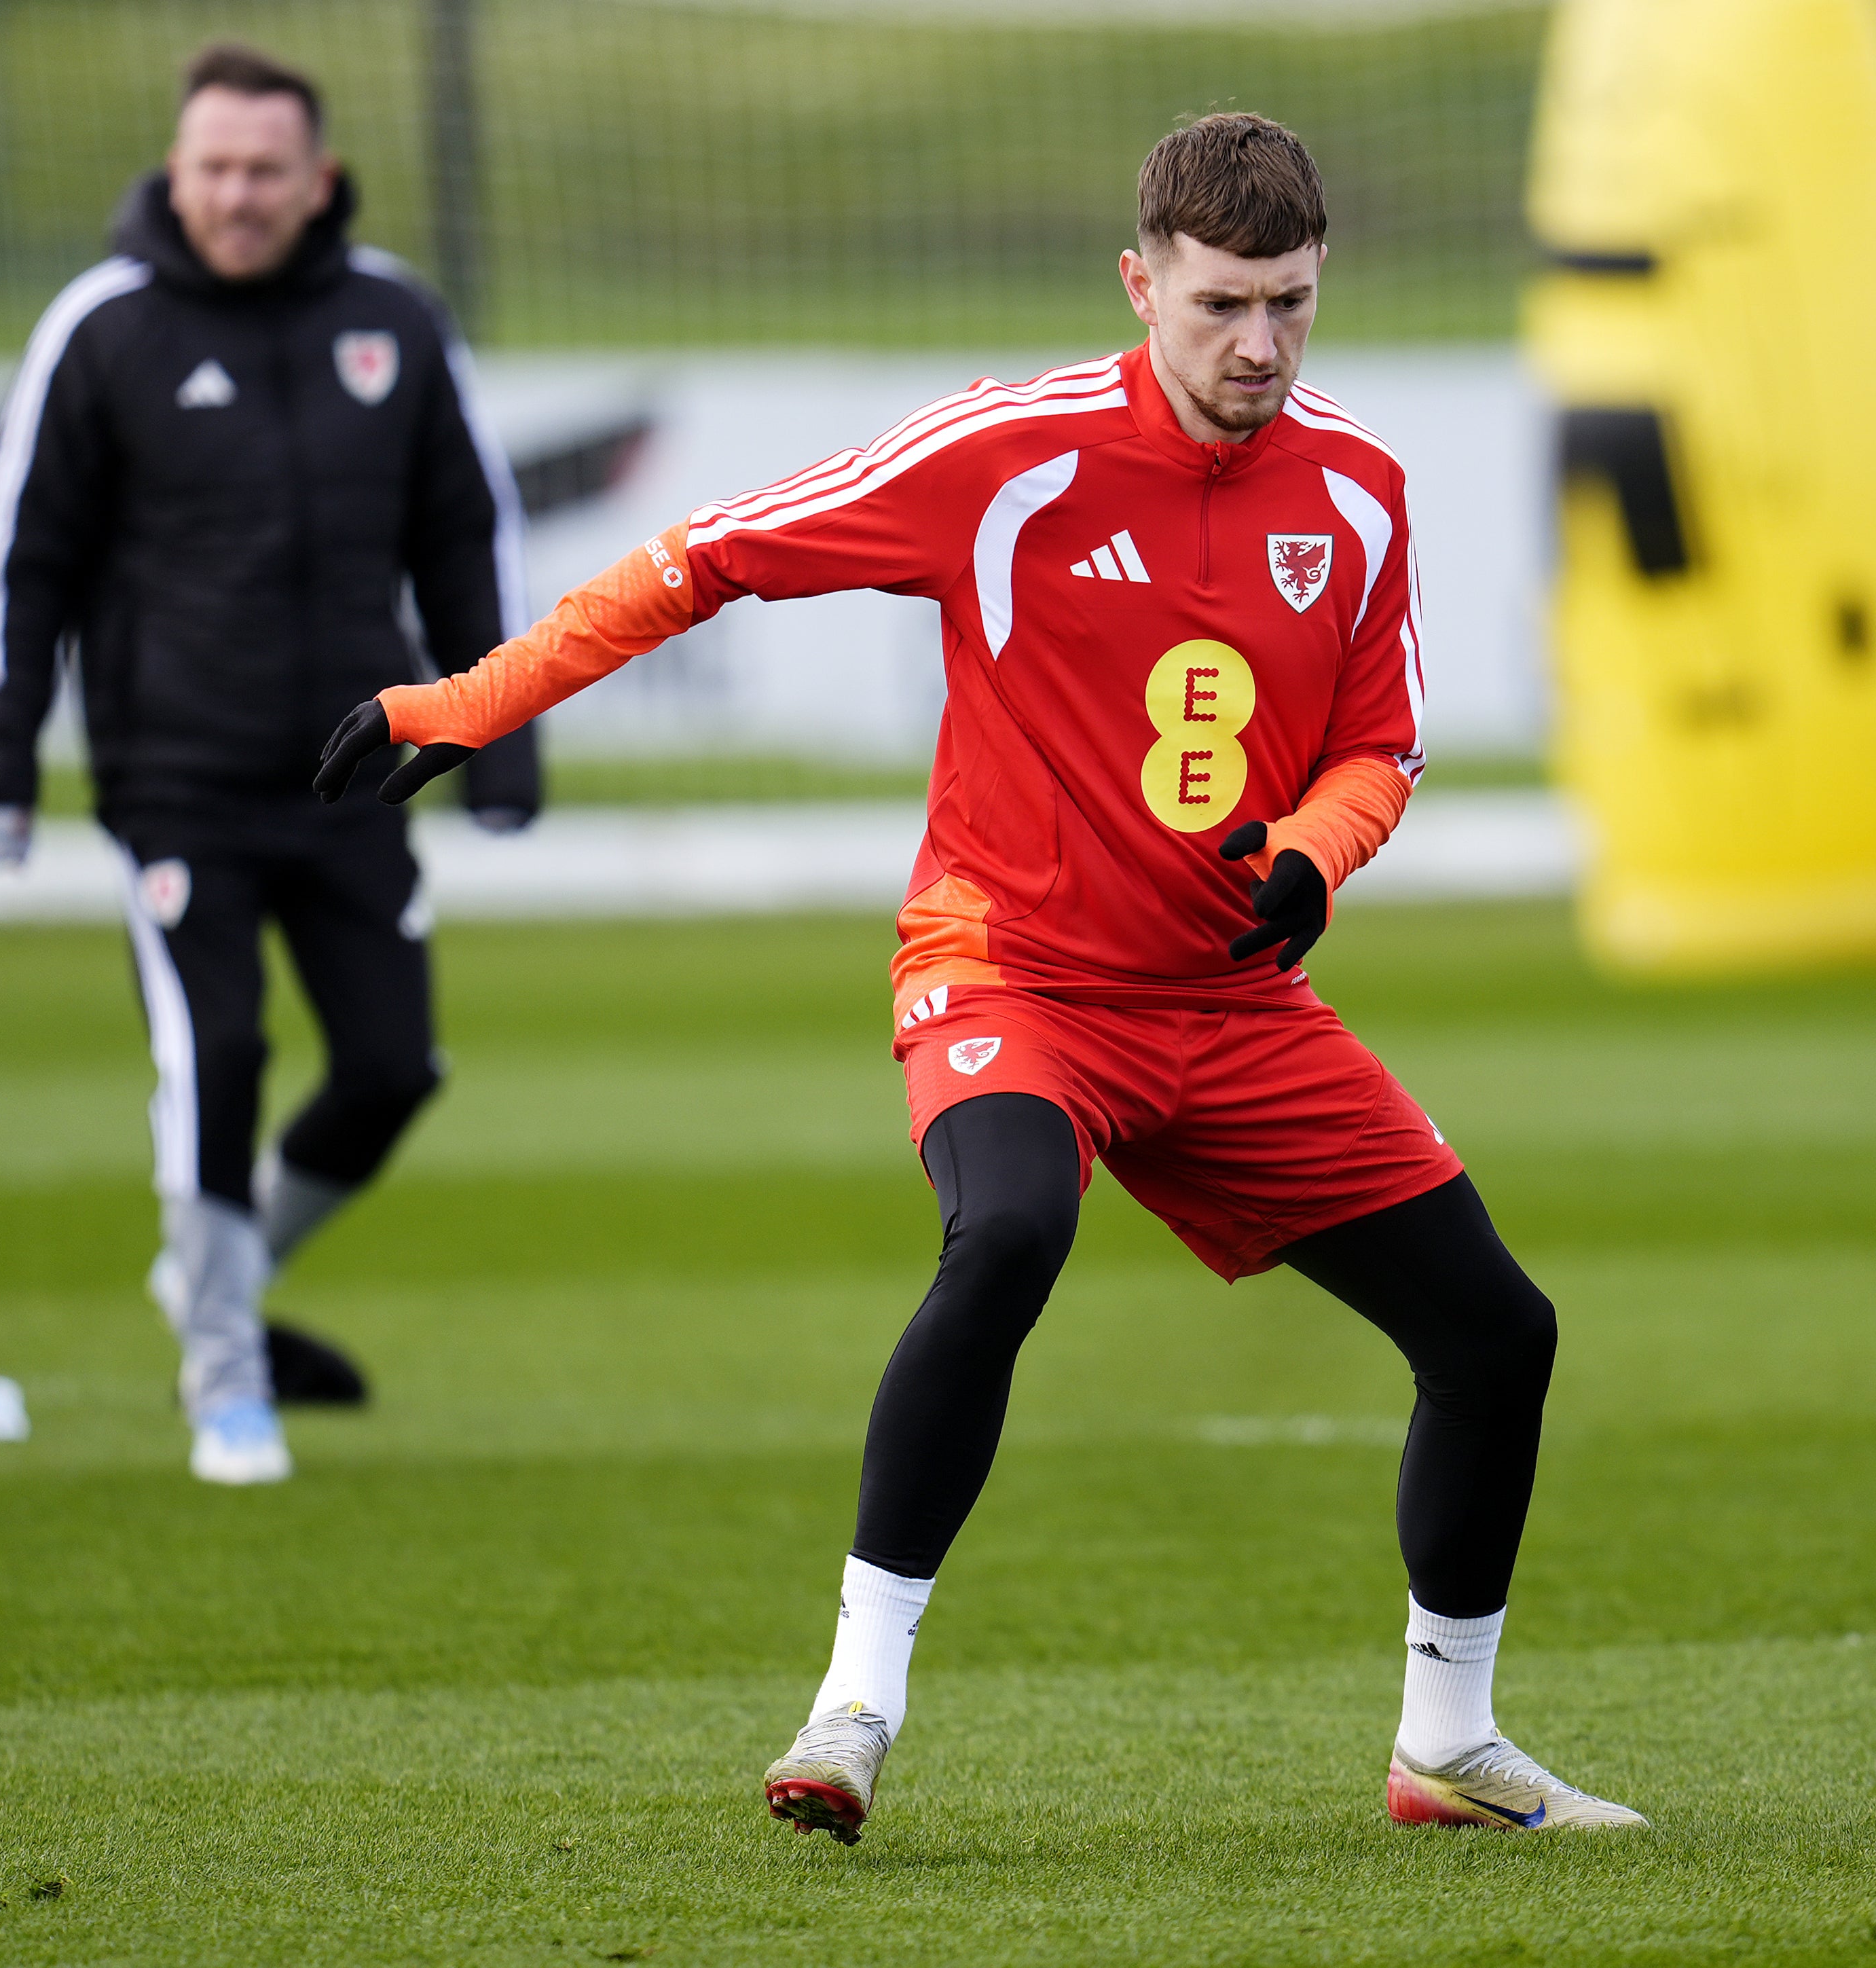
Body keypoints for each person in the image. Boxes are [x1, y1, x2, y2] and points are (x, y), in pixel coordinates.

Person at [318, 114, 1640, 1838]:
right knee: (1008, 1231)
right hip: (1014, 974)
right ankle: (853, 1707)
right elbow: (707, 554)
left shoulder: (1359, 488)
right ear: (1140, 284)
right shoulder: (1007, 454)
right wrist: (469, 701)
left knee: (1497, 1334)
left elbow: (1378, 744)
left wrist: (1318, 850)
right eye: (1223, 305)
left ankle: (1447, 1747)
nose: (1259, 345)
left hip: (1231, 1006)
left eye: (1291, 305)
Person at [0, 43, 538, 1486]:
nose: (237, 194)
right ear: (176, 170)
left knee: (393, 1069)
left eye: (265, 170)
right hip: (177, 782)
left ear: (318, 179)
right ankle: (227, 1383)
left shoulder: (396, 318)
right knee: (212, 1058)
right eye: (213, 167)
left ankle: (210, 1275)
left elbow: (466, 535)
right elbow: (22, 555)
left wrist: (500, 729)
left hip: (355, 773)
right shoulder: (103, 327)